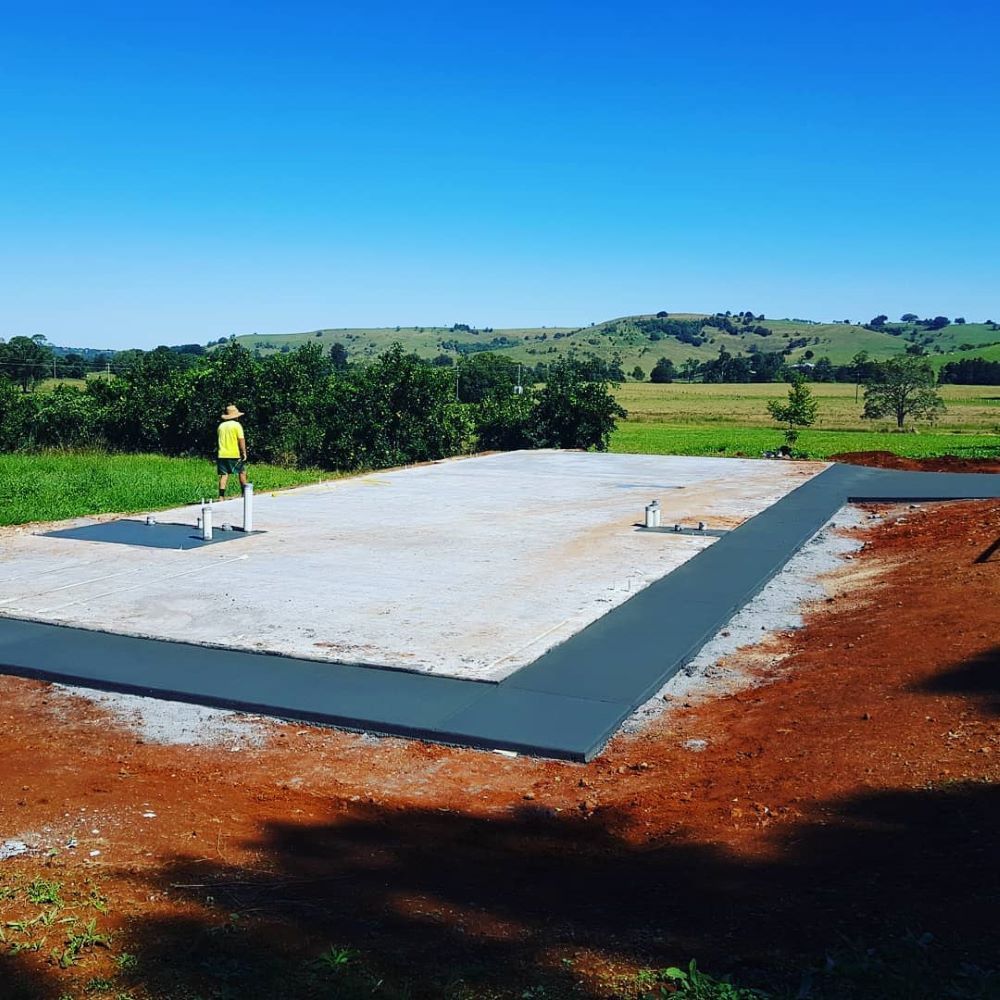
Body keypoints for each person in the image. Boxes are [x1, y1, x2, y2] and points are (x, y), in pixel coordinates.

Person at [217, 404, 248, 499]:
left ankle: (221, 496)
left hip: (222, 454)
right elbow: (241, 439)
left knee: (224, 475)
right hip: (234, 454)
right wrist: (243, 452)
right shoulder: (237, 425)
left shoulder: (221, 426)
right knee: (242, 472)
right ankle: (244, 493)